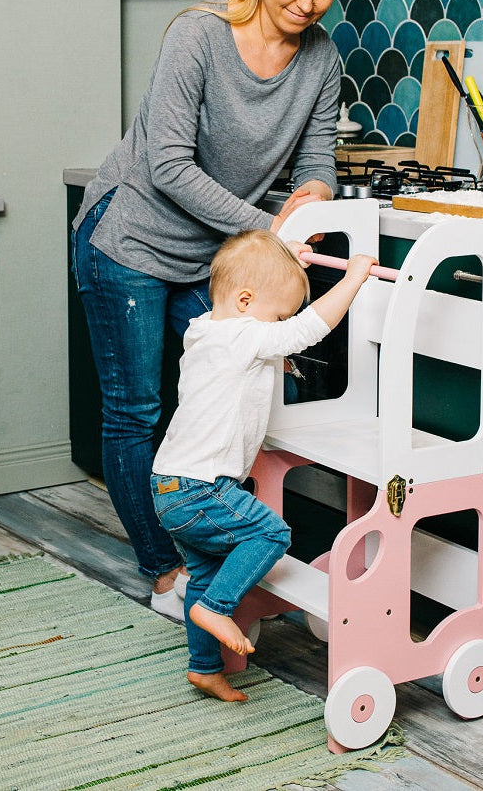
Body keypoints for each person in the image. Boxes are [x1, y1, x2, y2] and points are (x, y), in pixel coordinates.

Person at [70, 0, 354, 621]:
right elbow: (166, 165)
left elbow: (316, 155)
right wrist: (271, 231)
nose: (307, 4)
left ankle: (234, 553)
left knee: (245, 387)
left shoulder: (321, 58)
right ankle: (166, 574)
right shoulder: (197, 35)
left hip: (214, 254)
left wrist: (312, 194)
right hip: (129, 238)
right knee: (138, 410)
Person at [151, 229, 377, 702]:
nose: (280, 327)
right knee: (271, 534)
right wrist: (353, 278)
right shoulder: (242, 335)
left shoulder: (206, 330)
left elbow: (266, 302)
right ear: (246, 299)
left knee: (209, 570)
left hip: (169, 485)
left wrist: (285, 260)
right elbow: (307, 330)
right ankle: (216, 608)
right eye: (276, 315)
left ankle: (205, 667)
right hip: (201, 488)